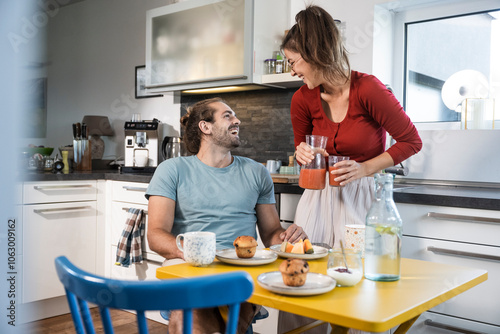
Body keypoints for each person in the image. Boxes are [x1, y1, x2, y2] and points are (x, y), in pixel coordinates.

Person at [278, 5, 422, 334]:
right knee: (303, 284)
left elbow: (410, 142)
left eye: (293, 61)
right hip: (316, 199)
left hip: (362, 202)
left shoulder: (368, 89)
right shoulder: (302, 99)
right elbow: (303, 157)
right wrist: (302, 154)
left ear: (314, 54)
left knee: (357, 290)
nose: (292, 71)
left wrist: (364, 169)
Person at [146, 97, 307, 334]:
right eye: (228, 115)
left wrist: (288, 239)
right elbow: (156, 235)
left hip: (241, 266)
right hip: (188, 262)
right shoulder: (172, 170)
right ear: (205, 127)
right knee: (197, 298)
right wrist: (199, 255)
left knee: (211, 299)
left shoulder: (257, 172)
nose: (237, 120)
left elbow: (272, 233)